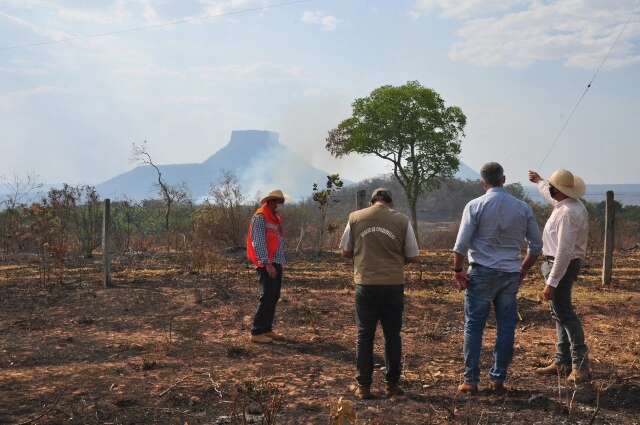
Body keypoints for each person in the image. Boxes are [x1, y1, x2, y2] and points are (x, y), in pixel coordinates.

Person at [452, 162, 542, 394]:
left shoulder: (475, 205)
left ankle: (470, 380)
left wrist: (458, 270)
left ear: (483, 183)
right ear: (503, 179)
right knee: (506, 327)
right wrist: (523, 268)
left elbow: (461, 245)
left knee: (473, 326)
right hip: (510, 273)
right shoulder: (522, 207)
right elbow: (536, 246)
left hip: (481, 271)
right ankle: (498, 378)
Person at [339, 188, 419, 399]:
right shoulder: (402, 220)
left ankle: (364, 386)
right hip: (393, 285)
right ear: (389, 202)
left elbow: (345, 251)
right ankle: (392, 386)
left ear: (373, 201)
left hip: (365, 284)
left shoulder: (355, 218)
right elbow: (413, 255)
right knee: (392, 336)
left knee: (364, 335)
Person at [528, 169, 590, 384]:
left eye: (552, 187)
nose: (550, 189)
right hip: (558, 264)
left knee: (565, 315)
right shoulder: (566, 204)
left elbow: (564, 252)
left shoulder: (567, 213)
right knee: (559, 314)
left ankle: (579, 366)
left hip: (561, 265)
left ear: (560, 191)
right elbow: (547, 193)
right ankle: (562, 361)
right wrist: (539, 181)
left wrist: (551, 283)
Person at [246, 189, 286, 344]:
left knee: (274, 296)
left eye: (279, 202)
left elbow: (277, 240)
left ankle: (267, 329)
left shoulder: (275, 218)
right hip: (266, 262)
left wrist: (279, 261)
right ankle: (256, 332)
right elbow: (258, 241)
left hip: (275, 261)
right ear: (269, 201)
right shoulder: (260, 217)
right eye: (276, 201)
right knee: (267, 295)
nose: (278, 205)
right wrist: (267, 263)